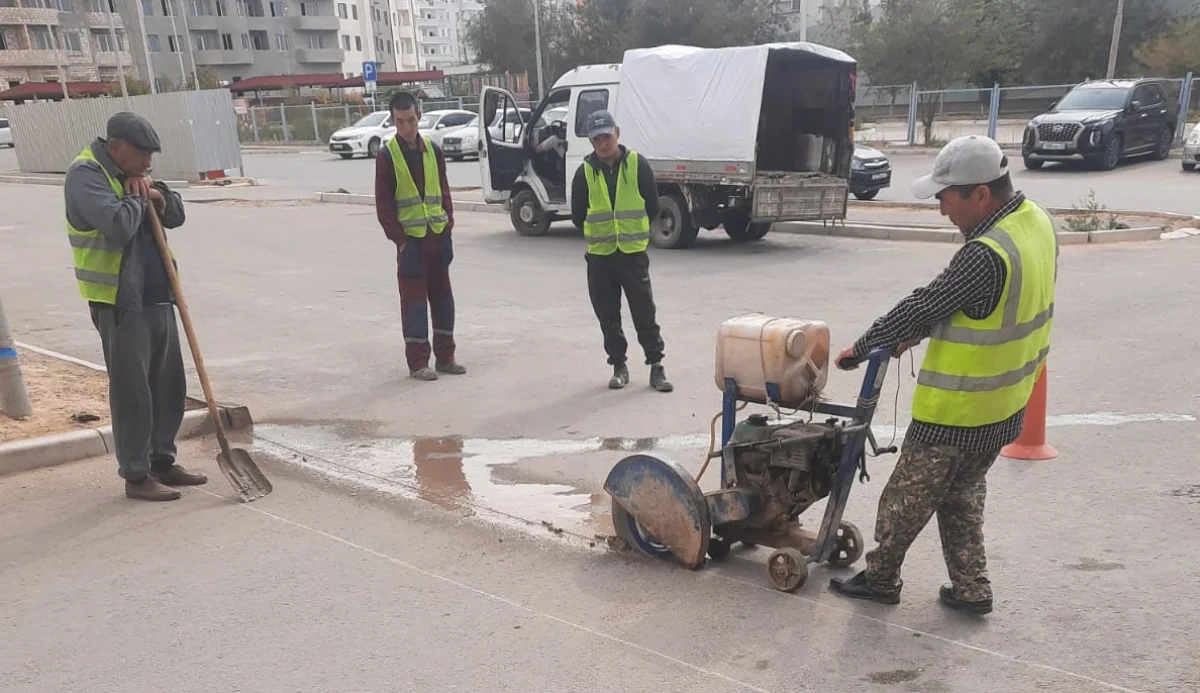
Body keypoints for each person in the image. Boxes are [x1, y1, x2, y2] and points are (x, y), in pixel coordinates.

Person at [828, 135, 1058, 615]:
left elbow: (927, 302)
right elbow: (982, 308)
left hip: (958, 411)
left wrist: (863, 347)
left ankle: (881, 579)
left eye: (945, 198)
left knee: (902, 501)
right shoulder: (1034, 221)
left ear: (980, 194)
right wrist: (926, 329)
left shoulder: (984, 253)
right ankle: (972, 588)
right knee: (962, 495)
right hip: (1007, 405)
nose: (941, 210)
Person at [64, 112, 206, 502]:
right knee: (133, 392)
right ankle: (137, 473)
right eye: (141, 155)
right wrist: (135, 195)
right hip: (120, 302)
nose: (147, 163)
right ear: (115, 147)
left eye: (150, 157)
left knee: (168, 386)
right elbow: (117, 226)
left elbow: (174, 215)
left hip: (159, 293)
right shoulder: (86, 174)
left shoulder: (138, 177)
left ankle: (163, 460)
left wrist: (156, 194)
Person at [570, 110, 672, 393]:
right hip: (601, 258)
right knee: (608, 315)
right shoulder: (585, 173)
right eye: (597, 139)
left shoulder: (637, 166)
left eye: (607, 136)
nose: (603, 144)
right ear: (591, 142)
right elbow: (578, 215)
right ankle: (619, 366)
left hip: (632, 255)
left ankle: (656, 366)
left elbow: (652, 205)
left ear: (618, 133)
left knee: (644, 312)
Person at [375, 91, 465, 381]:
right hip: (411, 242)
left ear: (419, 117)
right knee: (414, 306)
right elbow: (384, 204)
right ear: (393, 121)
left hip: (437, 237)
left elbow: (444, 192)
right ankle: (418, 363)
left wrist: (448, 227)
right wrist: (400, 241)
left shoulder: (433, 151)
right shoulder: (387, 156)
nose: (407, 127)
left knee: (443, 301)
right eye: (400, 122)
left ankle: (446, 358)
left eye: (411, 120)